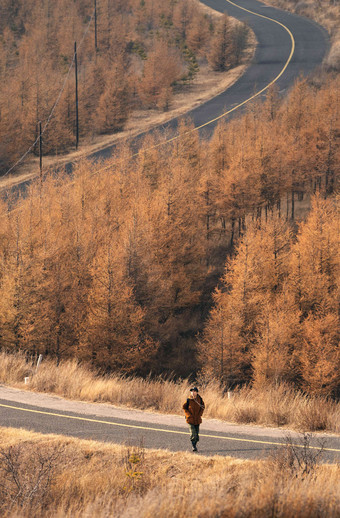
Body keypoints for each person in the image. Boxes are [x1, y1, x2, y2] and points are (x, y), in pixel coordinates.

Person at [183, 387, 205, 452]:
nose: (193, 392)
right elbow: (184, 408)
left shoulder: (200, 399)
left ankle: (195, 444)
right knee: (193, 433)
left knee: (197, 434)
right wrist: (188, 415)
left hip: (197, 419)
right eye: (192, 391)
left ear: (197, 392)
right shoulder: (188, 400)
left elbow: (203, 407)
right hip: (190, 419)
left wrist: (200, 414)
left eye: (194, 391)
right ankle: (193, 446)